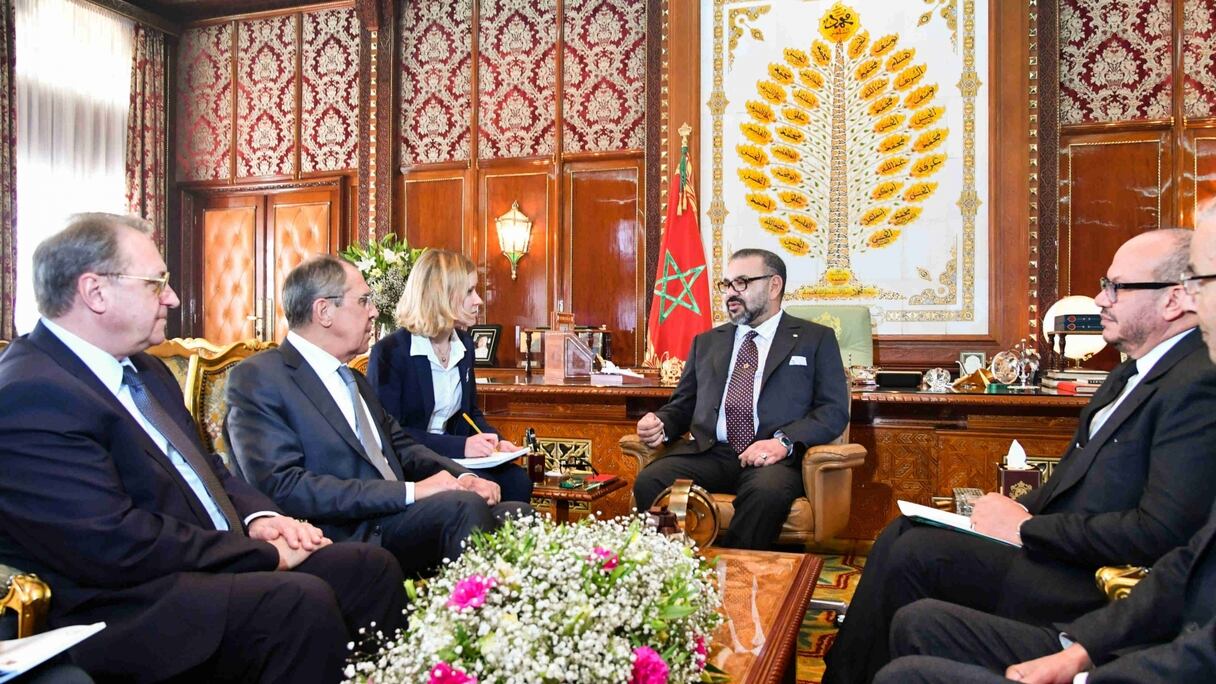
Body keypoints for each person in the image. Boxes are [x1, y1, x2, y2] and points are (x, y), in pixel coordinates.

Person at [0, 214, 406, 683]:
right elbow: (115, 542)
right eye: (156, 284)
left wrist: (262, 519)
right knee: (295, 603)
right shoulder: (30, 393)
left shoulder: (146, 370)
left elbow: (211, 468)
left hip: (200, 562)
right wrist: (260, 555)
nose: (172, 298)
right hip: (122, 602)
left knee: (366, 567)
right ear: (95, 292)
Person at [824, 228, 1216, 684]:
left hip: (1090, 581)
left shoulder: (1196, 382)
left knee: (915, 553)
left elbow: (1160, 531)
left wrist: (1026, 528)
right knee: (903, 531)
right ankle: (847, 674)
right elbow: (1072, 481)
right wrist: (1008, 512)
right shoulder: (1130, 371)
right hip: (1056, 552)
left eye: (1115, 287)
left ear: (1174, 300)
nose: (1099, 299)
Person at [226, 255, 531, 575]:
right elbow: (286, 487)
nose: (373, 311)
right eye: (364, 301)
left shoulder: (352, 379)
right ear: (324, 311)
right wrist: (413, 491)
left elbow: (402, 446)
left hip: (392, 514)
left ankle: (508, 620)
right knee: (463, 507)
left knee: (519, 515)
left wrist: (463, 477)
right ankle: (461, 622)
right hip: (344, 529)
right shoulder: (259, 378)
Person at [631, 248, 850, 550]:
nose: (731, 293)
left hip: (772, 457)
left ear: (775, 286)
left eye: (742, 283)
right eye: (727, 284)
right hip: (713, 453)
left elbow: (833, 410)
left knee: (765, 493)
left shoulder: (815, 339)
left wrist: (783, 442)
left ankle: (737, 576)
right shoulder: (707, 342)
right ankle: (673, 566)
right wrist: (662, 424)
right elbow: (683, 405)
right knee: (651, 480)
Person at [368, 249, 532, 502]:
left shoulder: (465, 344)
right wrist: (462, 447)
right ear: (440, 295)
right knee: (479, 494)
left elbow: (470, 412)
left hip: (455, 460)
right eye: (469, 291)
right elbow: (390, 434)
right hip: (414, 466)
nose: (478, 300)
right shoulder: (390, 352)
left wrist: (497, 442)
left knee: (518, 481)